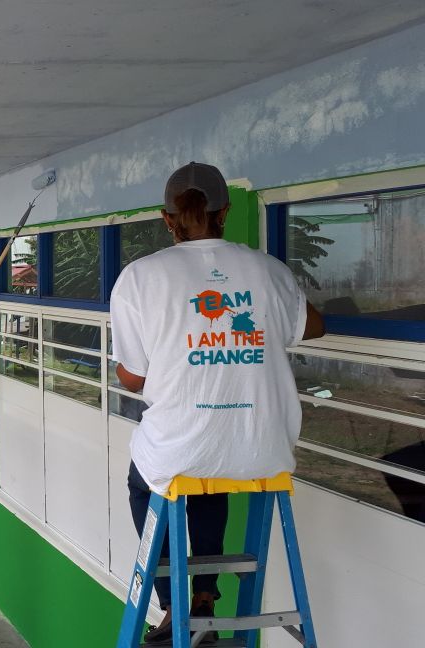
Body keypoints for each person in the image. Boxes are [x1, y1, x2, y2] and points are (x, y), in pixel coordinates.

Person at [110, 162, 324, 645]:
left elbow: (132, 375)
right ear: (225, 210)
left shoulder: (140, 278)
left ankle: (171, 604)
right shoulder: (268, 269)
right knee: (211, 473)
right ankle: (205, 594)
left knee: (148, 478)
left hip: (183, 450)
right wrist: (271, 294)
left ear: (167, 217)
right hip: (262, 450)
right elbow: (313, 325)